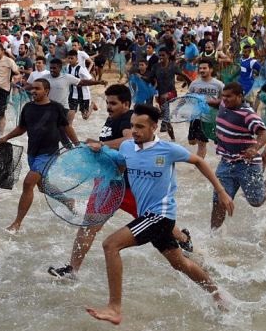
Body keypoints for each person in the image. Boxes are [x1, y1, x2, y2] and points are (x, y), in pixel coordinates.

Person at [85, 104, 234, 325]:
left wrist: (221, 192)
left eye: (140, 127)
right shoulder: (127, 148)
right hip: (149, 215)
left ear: (154, 127)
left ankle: (115, 307)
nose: (134, 131)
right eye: (132, 126)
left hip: (161, 216)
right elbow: (117, 165)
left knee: (110, 245)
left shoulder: (168, 149)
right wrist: (98, 151)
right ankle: (219, 296)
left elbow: (199, 161)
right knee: (180, 263)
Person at [47, 85, 193, 279]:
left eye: (113, 103)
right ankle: (72, 269)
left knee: (155, 221)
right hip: (108, 184)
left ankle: (183, 238)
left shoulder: (128, 120)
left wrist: (101, 145)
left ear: (126, 104)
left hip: (131, 186)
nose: (109, 106)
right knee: (89, 224)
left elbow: (127, 140)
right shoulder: (113, 118)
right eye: (107, 102)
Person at [0, 78, 79, 233]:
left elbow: (66, 127)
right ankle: (68, 201)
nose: (33, 91)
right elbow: (21, 128)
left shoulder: (56, 108)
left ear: (46, 91)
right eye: (32, 88)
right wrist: (6, 137)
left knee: (28, 183)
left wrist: (77, 145)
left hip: (49, 153)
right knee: (42, 187)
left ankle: (16, 223)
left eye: (37, 88)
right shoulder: (28, 107)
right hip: (33, 153)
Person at [209, 82, 266, 229]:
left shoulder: (248, 114)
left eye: (229, 97)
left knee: (256, 201)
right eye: (223, 96)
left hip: (248, 164)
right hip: (226, 162)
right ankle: (213, 237)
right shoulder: (224, 105)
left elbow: (264, 132)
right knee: (219, 201)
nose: (225, 99)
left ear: (239, 96)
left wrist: (255, 147)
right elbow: (217, 103)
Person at [186, 59, 224, 158]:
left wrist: (210, 102)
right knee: (196, 143)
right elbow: (188, 98)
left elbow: (225, 100)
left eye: (204, 68)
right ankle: (200, 166)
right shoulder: (194, 84)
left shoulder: (219, 84)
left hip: (213, 118)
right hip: (197, 117)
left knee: (219, 142)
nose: (202, 70)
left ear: (211, 69)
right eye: (200, 68)